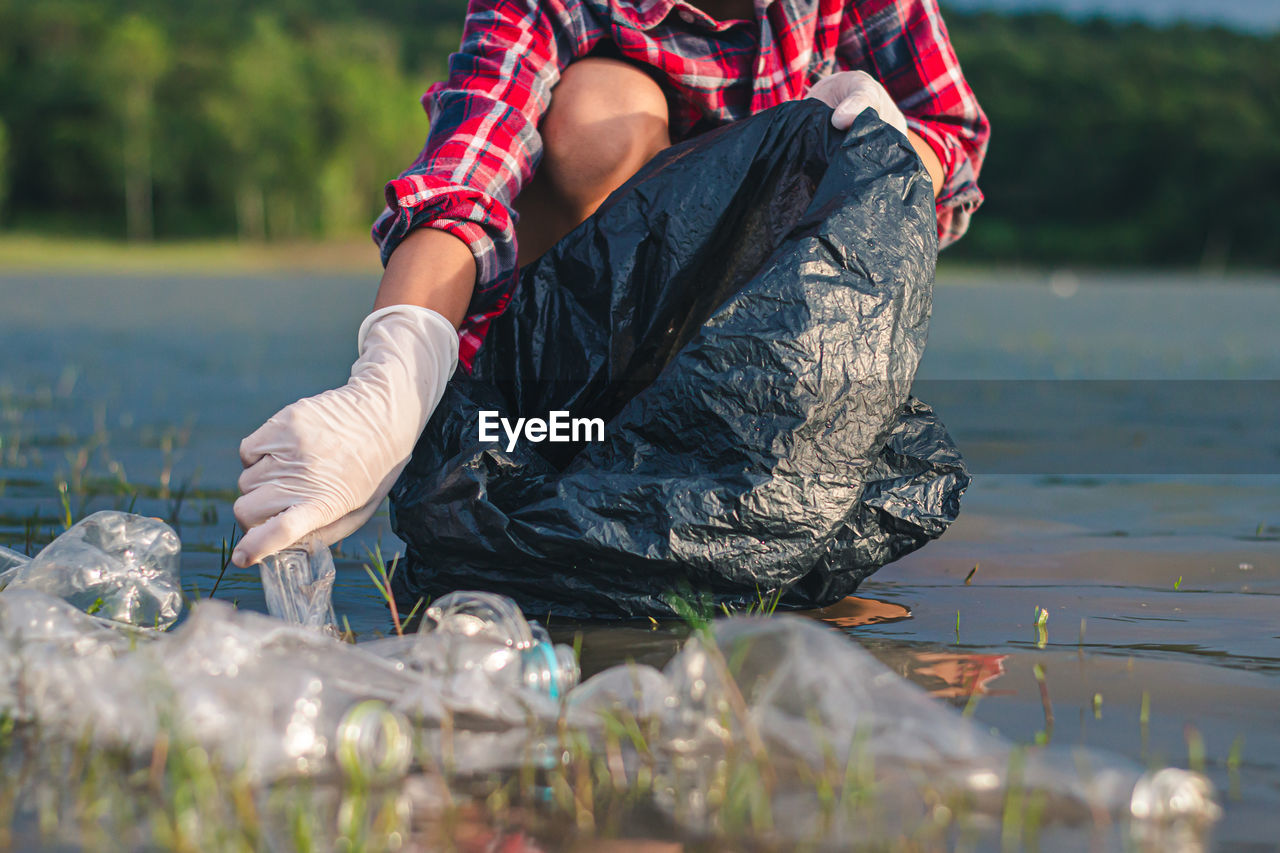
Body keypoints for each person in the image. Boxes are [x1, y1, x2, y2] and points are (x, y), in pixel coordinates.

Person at [230, 0, 989, 569]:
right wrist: (389, 381)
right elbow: (468, 174)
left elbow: (953, 136)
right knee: (604, 115)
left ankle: (706, 461)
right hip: (570, 382)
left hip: (753, 366)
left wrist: (889, 145)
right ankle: (580, 450)